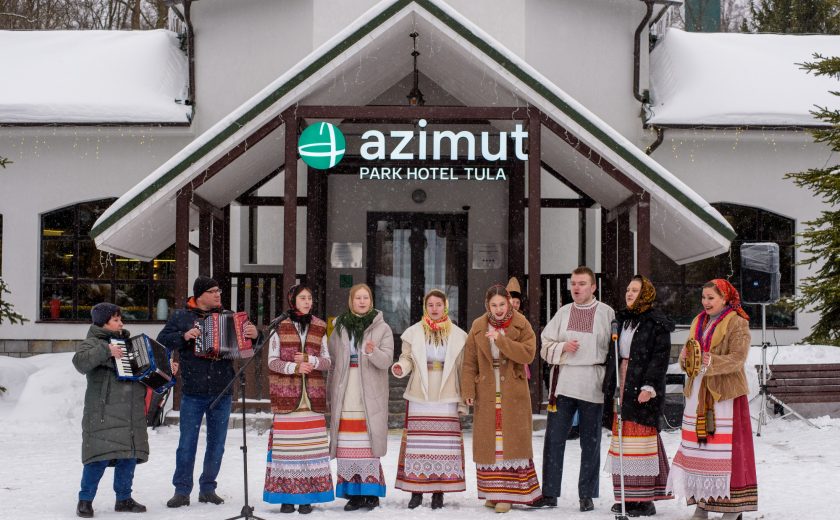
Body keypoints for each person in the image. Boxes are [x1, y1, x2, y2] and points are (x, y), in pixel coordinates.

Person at [157, 276, 259, 508]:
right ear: (200, 294)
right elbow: (163, 340)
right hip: (193, 390)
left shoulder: (229, 316)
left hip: (222, 389)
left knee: (217, 444)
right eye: (212, 291)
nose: (217, 295)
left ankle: (208, 489)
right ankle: (182, 491)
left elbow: (248, 345)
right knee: (187, 443)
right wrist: (184, 336)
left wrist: (255, 335)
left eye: (218, 291)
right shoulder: (182, 316)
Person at [667, 279, 758, 520]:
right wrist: (686, 359)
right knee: (700, 448)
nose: (705, 302)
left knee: (726, 450)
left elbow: (738, 358)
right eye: (703, 297)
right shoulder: (698, 321)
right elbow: (690, 356)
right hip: (698, 392)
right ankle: (703, 503)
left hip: (724, 394)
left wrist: (710, 361)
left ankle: (733, 506)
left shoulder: (737, 322)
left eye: (711, 297)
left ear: (725, 298)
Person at [460, 285, 543, 513]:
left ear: (508, 303)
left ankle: (508, 494)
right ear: (487, 306)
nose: (498, 309)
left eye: (502, 304)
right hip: (487, 389)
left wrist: (501, 340)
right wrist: (468, 390)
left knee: (510, 442)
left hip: (513, 391)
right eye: (494, 305)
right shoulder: (478, 325)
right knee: (491, 442)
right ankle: (492, 493)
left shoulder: (521, 324)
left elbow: (528, 354)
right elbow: (469, 362)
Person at [540, 265, 615, 512]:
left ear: (593, 287)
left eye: (582, 284)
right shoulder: (563, 312)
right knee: (554, 439)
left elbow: (614, 349)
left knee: (590, 442)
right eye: (573, 283)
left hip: (592, 381)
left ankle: (587, 494)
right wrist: (562, 347)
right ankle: (550, 493)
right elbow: (545, 343)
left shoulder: (606, 312)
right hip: (565, 382)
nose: (576, 288)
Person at [602, 275, 675, 517]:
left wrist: (649, 386)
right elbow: (614, 354)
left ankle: (644, 499)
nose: (629, 294)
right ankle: (626, 497)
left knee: (640, 439)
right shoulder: (622, 320)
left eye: (635, 290)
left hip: (641, 383)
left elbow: (659, 358)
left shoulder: (656, 323)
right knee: (622, 438)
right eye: (628, 289)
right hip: (622, 381)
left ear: (646, 294)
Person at [392, 289, 467, 509]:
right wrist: (400, 367)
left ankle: (438, 491)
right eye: (430, 305)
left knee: (443, 445)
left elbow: (463, 368)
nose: (434, 309)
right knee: (419, 444)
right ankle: (416, 490)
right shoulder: (413, 332)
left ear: (446, 306)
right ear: (425, 307)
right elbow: (407, 358)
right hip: (421, 392)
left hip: (447, 391)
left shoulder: (459, 335)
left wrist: (464, 398)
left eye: (438, 304)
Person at [72, 303, 149, 518]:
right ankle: (85, 500)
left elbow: (146, 373)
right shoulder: (92, 342)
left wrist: (166, 370)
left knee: (128, 456)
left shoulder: (131, 345)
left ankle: (124, 499)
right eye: (116, 320)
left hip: (130, 412)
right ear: (103, 323)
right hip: (103, 412)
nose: (121, 323)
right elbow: (80, 362)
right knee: (97, 457)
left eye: (120, 319)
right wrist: (106, 350)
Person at [263, 285, 334, 514]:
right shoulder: (279, 325)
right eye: (302, 298)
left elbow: (327, 362)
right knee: (287, 451)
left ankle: (307, 498)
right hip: (286, 396)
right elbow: (272, 361)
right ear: (292, 300)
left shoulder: (320, 326)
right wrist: (294, 367)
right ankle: (286, 498)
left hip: (312, 398)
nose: (307, 301)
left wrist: (310, 360)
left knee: (310, 451)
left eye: (310, 298)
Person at [327, 283, 394, 511]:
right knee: (347, 443)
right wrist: (330, 390)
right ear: (351, 301)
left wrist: (373, 352)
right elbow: (333, 361)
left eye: (366, 298)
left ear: (371, 301)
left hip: (370, 390)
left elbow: (387, 361)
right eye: (358, 298)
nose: (362, 301)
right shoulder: (340, 327)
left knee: (367, 443)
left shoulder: (382, 328)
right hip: (346, 388)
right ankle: (353, 494)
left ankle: (371, 493)